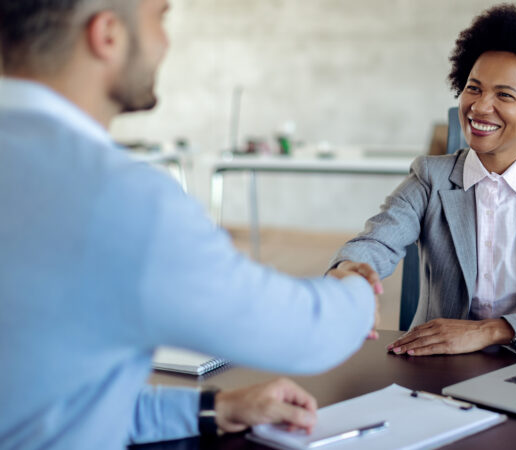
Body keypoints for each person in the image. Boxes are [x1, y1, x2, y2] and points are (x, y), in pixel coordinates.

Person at [0, 1, 378, 448]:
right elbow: (306, 334)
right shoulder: (122, 199)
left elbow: (49, 405)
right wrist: (354, 287)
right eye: (160, 17)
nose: (165, 41)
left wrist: (212, 409)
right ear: (107, 35)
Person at [327, 4, 516, 357]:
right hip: (436, 368)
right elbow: (378, 240)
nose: (479, 107)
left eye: (504, 95)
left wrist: (493, 331)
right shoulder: (431, 178)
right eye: (474, 88)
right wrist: (351, 269)